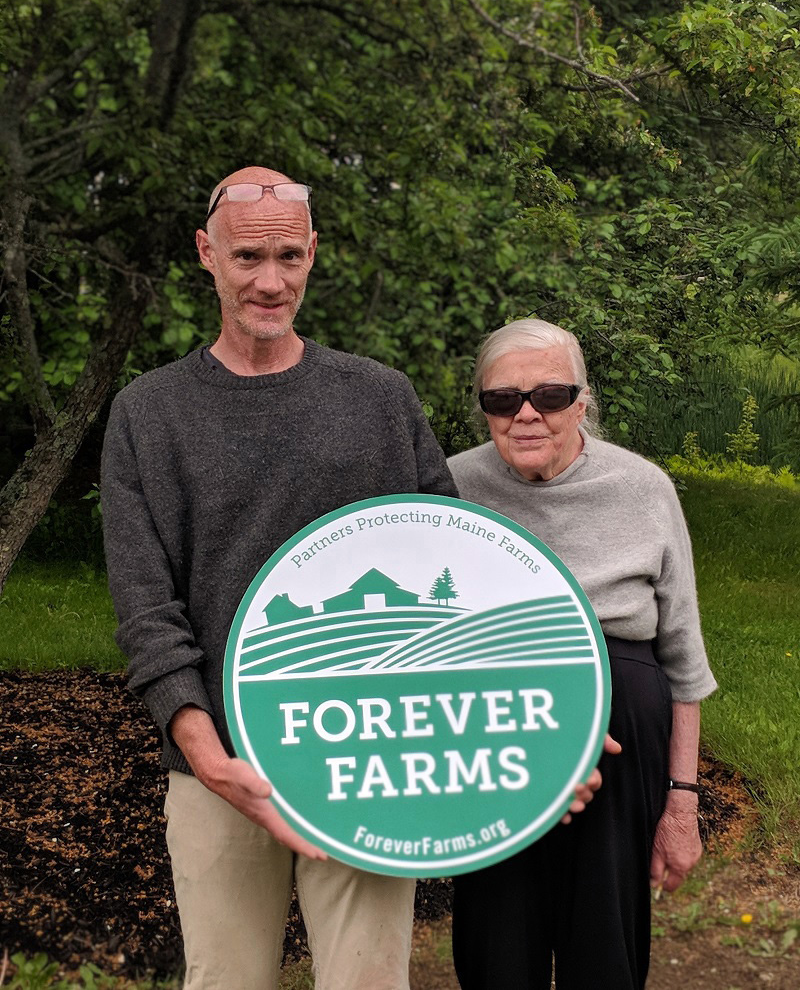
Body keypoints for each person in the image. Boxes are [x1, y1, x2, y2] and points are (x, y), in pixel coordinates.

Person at [100, 166, 462, 990]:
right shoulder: (148, 413)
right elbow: (147, 608)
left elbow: (452, 561)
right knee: (225, 979)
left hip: (368, 755)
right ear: (207, 253)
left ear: (313, 254)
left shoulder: (379, 399)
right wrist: (202, 747)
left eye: (290, 257)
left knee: (369, 982)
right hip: (218, 767)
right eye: (248, 258)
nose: (271, 282)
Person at [446, 318, 717, 990]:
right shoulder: (448, 487)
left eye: (551, 395)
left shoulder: (643, 488)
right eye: (503, 400)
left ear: (583, 401)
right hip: (492, 738)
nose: (528, 414)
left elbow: (685, 663)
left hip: (623, 741)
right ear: (484, 408)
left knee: (605, 949)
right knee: (495, 942)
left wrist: (681, 808)